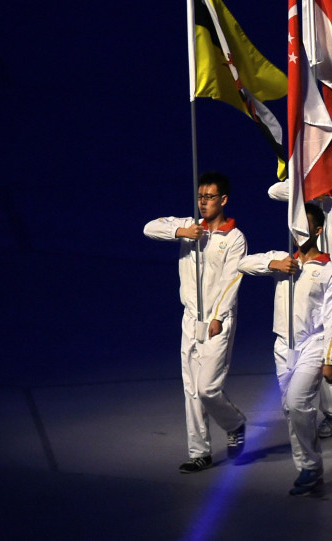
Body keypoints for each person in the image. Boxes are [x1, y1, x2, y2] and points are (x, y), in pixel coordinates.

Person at [237, 203, 332, 496]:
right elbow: (243, 264)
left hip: (313, 344)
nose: (298, 232)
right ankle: (308, 469)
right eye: (294, 226)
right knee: (290, 408)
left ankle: (311, 464)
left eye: (304, 226)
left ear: (318, 230)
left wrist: (331, 358)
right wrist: (275, 265)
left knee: (299, 402)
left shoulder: (330, 272)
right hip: (282, 346)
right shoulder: (284, 260)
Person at [143, 171, 248, 474]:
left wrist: (217, 316)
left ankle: (235, 423)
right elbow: (149, 228)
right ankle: (199, 451)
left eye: (210, 197)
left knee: (207, 389)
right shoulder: (190, 227)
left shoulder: (235, 239)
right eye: (200, 197)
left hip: (218, 321)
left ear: (223, 200)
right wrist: (181, 233)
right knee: (191, 389)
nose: (203, 203)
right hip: (190, 318)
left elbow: (232, 281)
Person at [268, 144, 332, 437]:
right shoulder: (316, 199)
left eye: (330, 166)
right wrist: (307, 186)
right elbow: (274, 192)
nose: (325, 171)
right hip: (312, 287)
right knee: (315, 353)